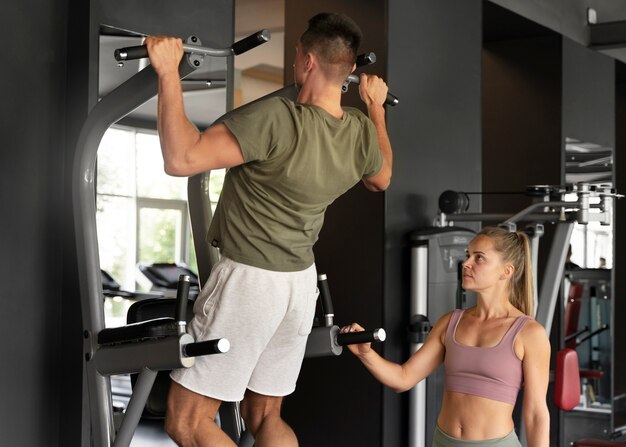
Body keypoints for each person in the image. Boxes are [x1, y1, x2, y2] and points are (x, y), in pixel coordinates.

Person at [145, 12, 393, 447]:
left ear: (308, 61)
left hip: (250, 282)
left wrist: (168, 72)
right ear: (351, 70)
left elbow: (181, 159)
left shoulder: (276, 118)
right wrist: (374, 107)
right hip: (299, 286)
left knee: (187, 422)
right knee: (264, 416)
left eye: (297, 53)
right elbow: (382, 177)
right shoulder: (357, 131)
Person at [341, 226, 550, 447]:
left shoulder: (529, 333)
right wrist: (365, 354)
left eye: (479, 258)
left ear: (506, 271)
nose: (466, 263)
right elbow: (403, 378)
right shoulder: (451, 322)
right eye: (468, 255)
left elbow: (536, 414)